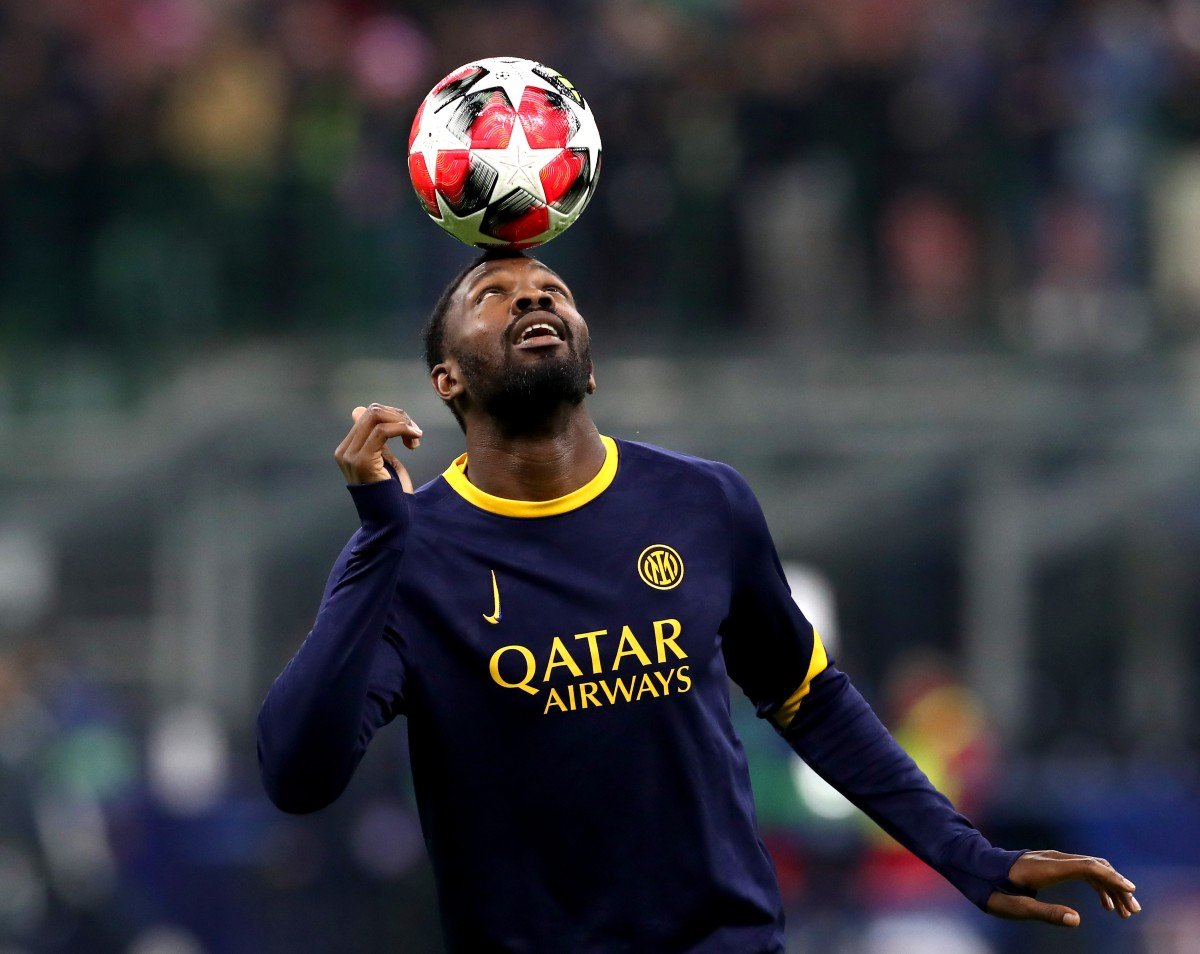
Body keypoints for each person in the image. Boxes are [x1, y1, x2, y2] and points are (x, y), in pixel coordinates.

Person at [256, 249, 1140, 952]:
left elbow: (811, 699)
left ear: (590, 365)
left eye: (553, 290)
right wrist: (378, 536)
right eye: (494, 293)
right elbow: (298, 773)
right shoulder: (409, 552)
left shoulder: (703, 503)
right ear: (447, 379)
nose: (534, 301)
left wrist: (968, 856)